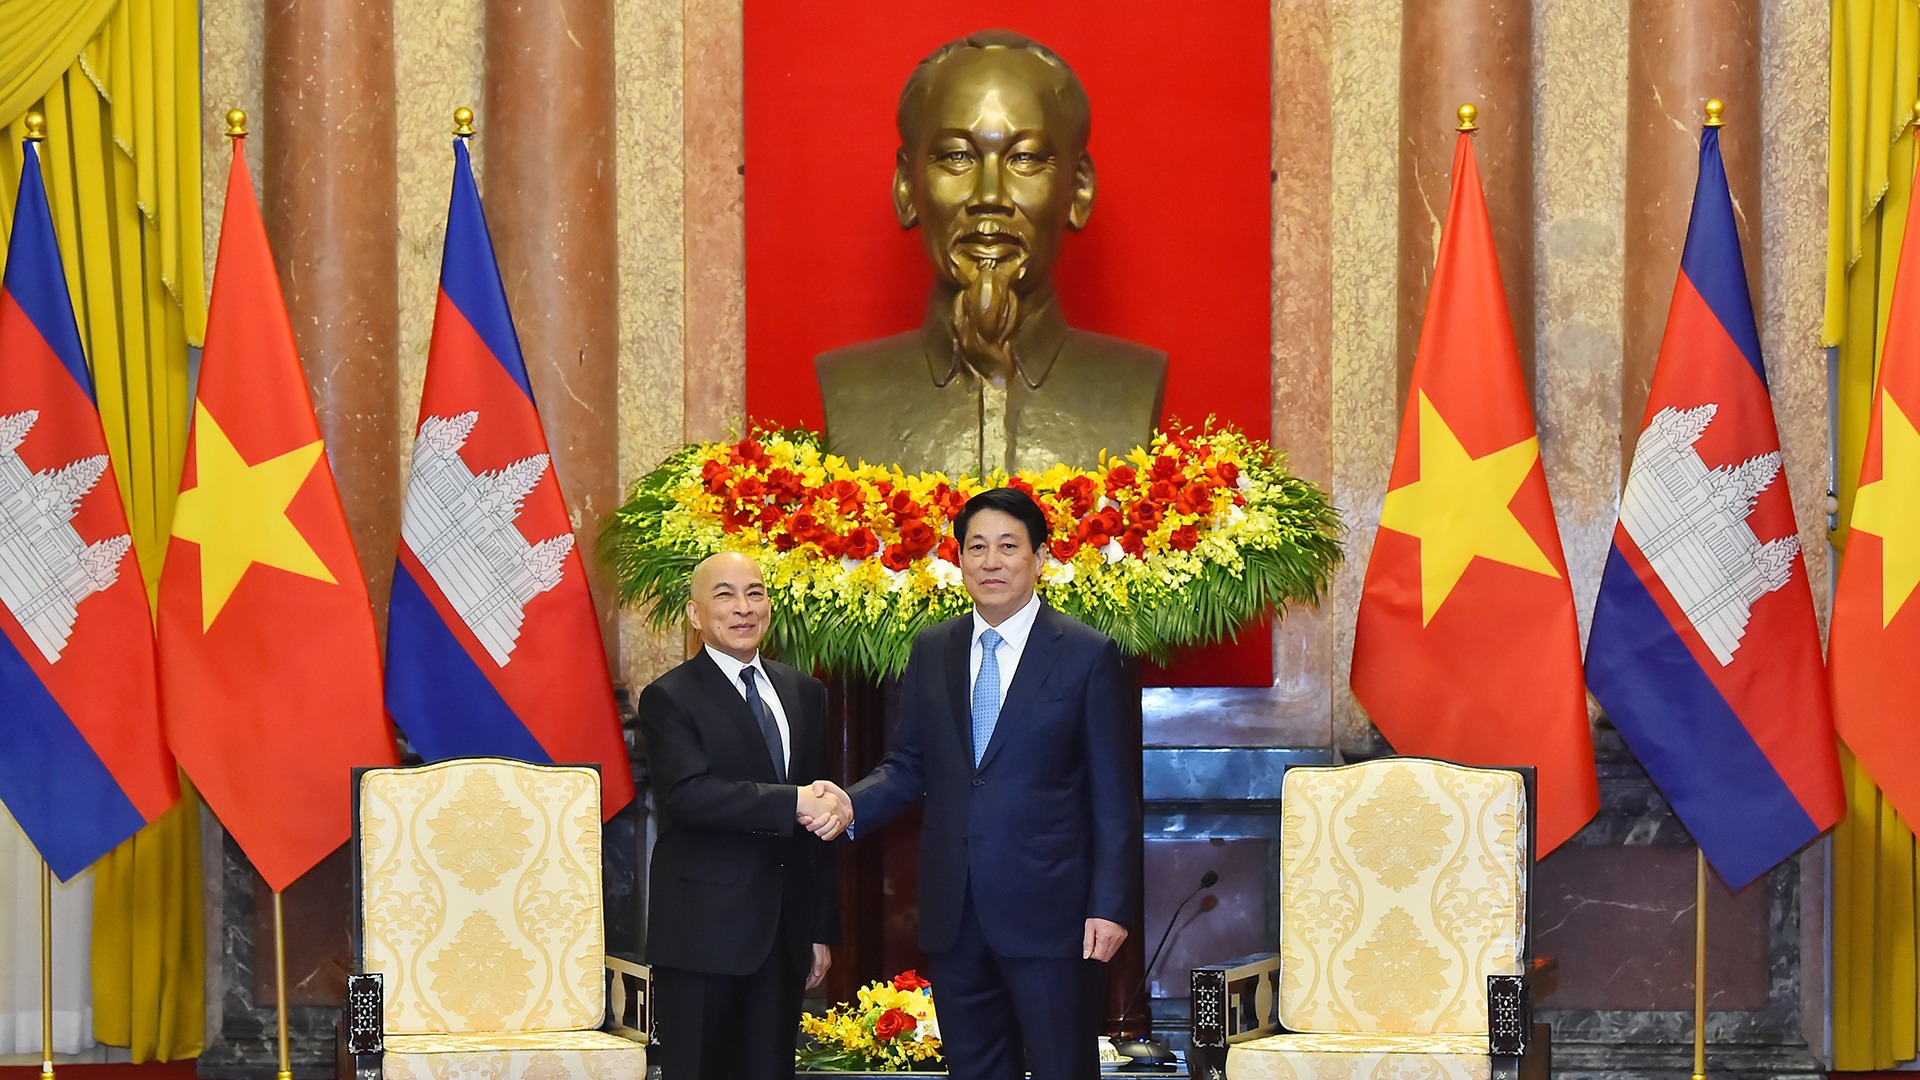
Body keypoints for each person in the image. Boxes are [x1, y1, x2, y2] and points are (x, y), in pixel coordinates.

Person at [808, 488, 1141, 1080]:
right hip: (953, 910)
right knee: (974, 1069)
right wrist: (848, 803)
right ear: (958, 559)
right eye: (976, 547)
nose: (991, 561)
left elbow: (1115, 796)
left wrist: (1110, 906)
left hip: (1053, 913)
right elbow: (909, 764)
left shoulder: (1087, 655)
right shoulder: (934, 648)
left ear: (1039, 558)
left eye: (1009, 547)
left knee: (1064, 1067)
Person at [814, 30, 1165, 477]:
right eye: (958, 157)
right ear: (907, 187)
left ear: (1078, 189)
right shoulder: (850, 387)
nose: (990, 196)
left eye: (1025, 159)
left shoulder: (1133, 385)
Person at [639, 551, 843, 1080]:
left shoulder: (805, 693)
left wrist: (818, 928)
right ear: (694, 614)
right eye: (724, 595)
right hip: (703, 933)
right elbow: (688, 795)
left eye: (754, 593)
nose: (742, 608)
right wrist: (791, 800)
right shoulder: (669, 697)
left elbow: (819, 823)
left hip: (784, 935)